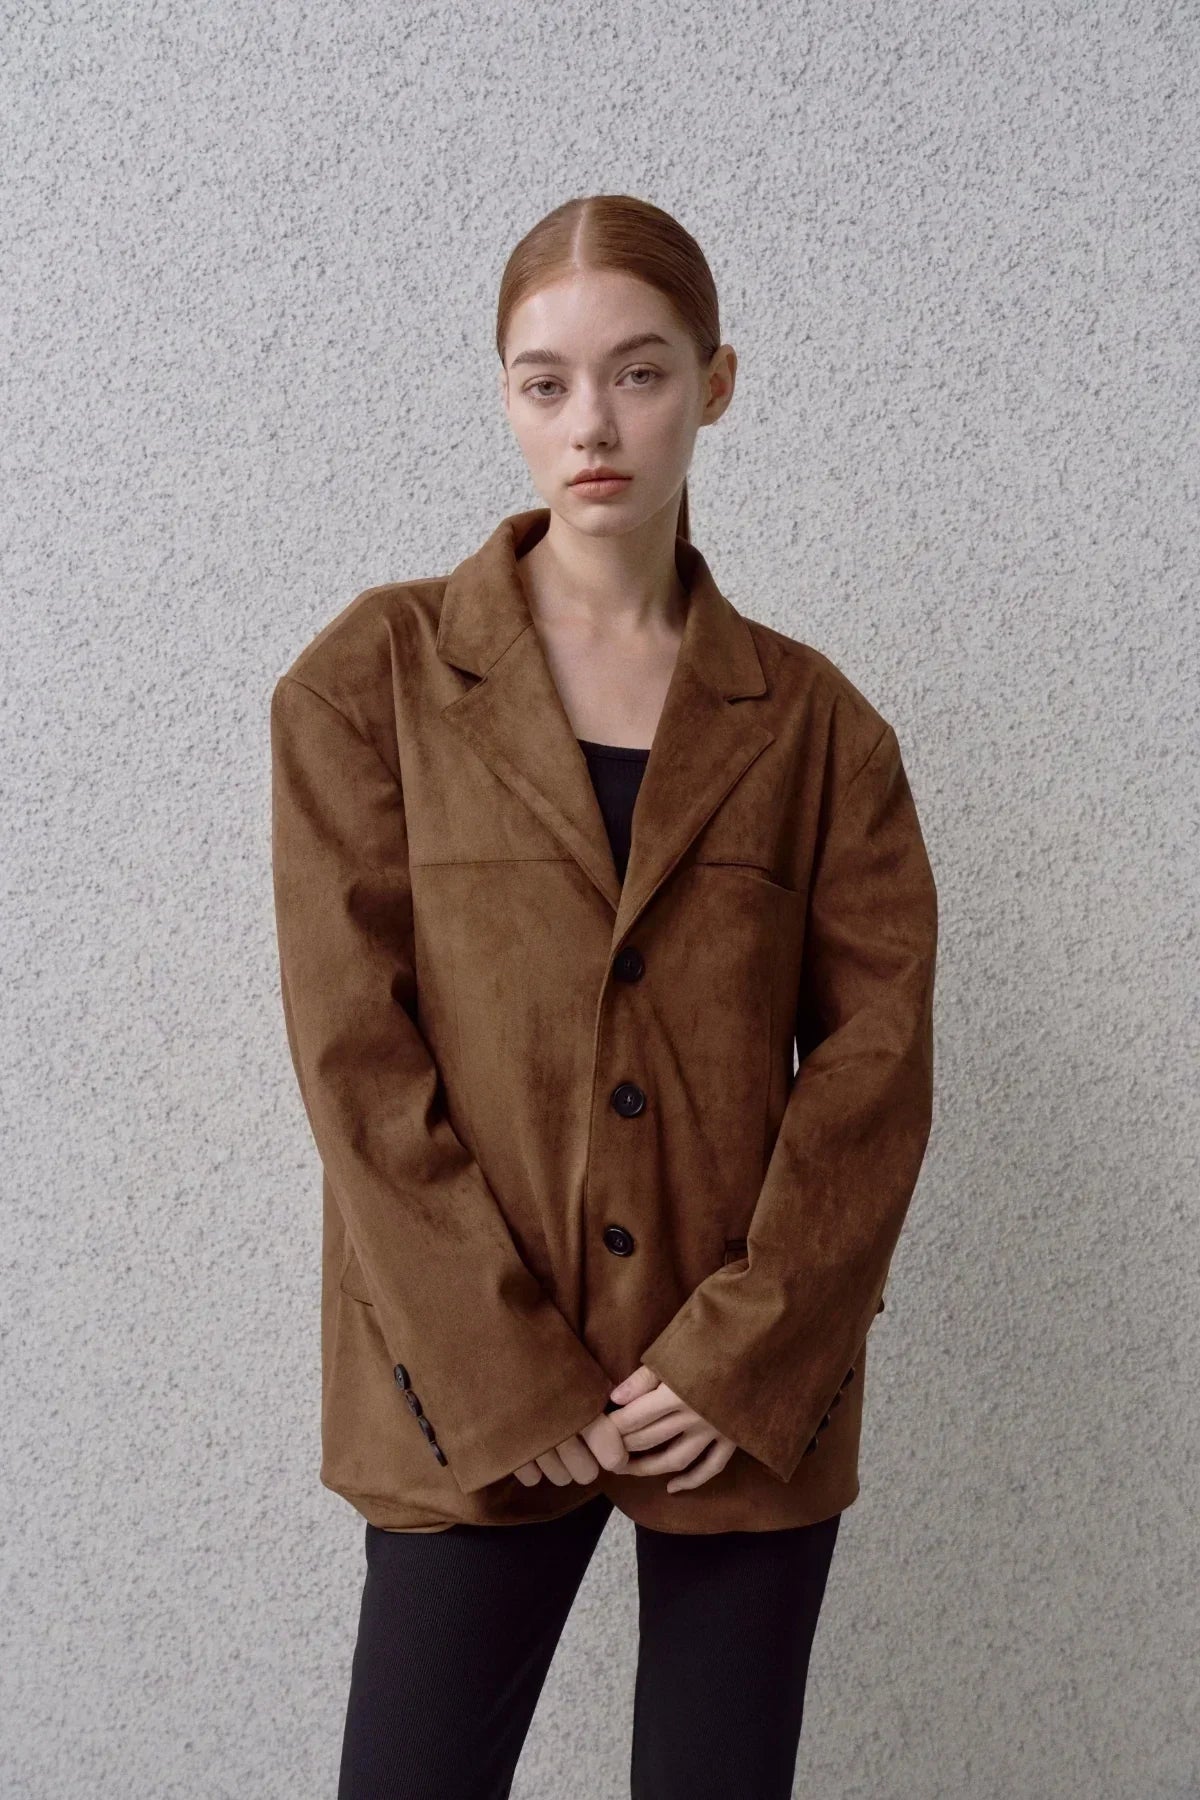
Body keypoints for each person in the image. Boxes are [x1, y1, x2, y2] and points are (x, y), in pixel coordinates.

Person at [269, 193, 938, 1799]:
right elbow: (356, 1061)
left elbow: (875, 1063)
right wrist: (511, 1381)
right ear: (503, 394)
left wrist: (741, 1361)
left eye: (638, 374)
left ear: (716, 383)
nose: (592, 425)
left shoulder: (818, 728)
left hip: (737, 1395)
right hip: (466, 1387)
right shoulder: (373, 681)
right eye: (544, 381)